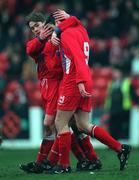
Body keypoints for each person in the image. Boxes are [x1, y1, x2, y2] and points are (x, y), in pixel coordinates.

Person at [35, 10, 131, 173]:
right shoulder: (81, 30)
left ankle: (64, 165)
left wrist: (79, 81)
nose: (53, 33)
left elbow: (77, 57)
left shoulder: (66, 35)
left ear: (58, 23)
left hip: (73, 80)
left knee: (60, 123)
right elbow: (75, 23)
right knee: (83, 125)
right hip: (85, 78)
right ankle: (120, 148)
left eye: (53, 28)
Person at [20, 10, 101, 173]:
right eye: (32, 28)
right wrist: (43, 38)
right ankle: (88, 159)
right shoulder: (41, 41)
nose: (35, 30)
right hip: (48, 88)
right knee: (69, 126)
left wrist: (60, 30)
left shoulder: (58, 38)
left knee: (54, 124)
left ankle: (46, 162)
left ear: (45, 23)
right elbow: (29, 50)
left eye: (37, 25)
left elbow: (58, 66)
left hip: (60, 86)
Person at [104, 67, 139, 139]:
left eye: (116, 72)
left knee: (121, 126)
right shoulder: (111, 83)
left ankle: (120, 141)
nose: (115, 74)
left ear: (120, 73)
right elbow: (109, 96)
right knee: (112, 126)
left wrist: (136, 103)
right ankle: (113, 142)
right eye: (114, 72)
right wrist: (107, 107)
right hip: (113, 108)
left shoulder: (127, 82)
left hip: (123, 108)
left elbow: (132, 94)